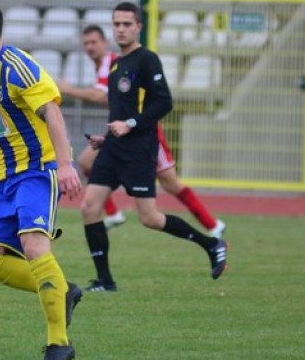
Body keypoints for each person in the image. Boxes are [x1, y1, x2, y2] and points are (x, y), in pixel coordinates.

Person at [0, 0, 83, 360]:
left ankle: (58, 344)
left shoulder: (18, 66)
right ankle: (62, 289)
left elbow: (52, 112)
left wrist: (65, 164)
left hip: (36, 172)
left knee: (33, 246)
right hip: (2, 180)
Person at [79, 2, 227, 293]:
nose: (121, 29)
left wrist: (130, 124)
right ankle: (105, 281)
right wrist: (107, 137)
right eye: (116, 24)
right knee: (89, 207)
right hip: (113, 148)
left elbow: (164, 102)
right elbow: (120, 112)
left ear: (138, 27)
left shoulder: (147, 59)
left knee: (150, 218)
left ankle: (211, 244)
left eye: (126, 24)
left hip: (139, 149)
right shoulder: (116, 65)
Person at [56, 24, 224, 237]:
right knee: (86, 161)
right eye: (86, 43)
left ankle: (213, 226)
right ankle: (113, 213)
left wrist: (69, 90)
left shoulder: (111, 63)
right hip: (122, 132)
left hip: (144, 132)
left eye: (94, 42)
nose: (90, 47)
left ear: (105, 43)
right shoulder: (104, 66)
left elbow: (102, 96)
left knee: (170, 184)